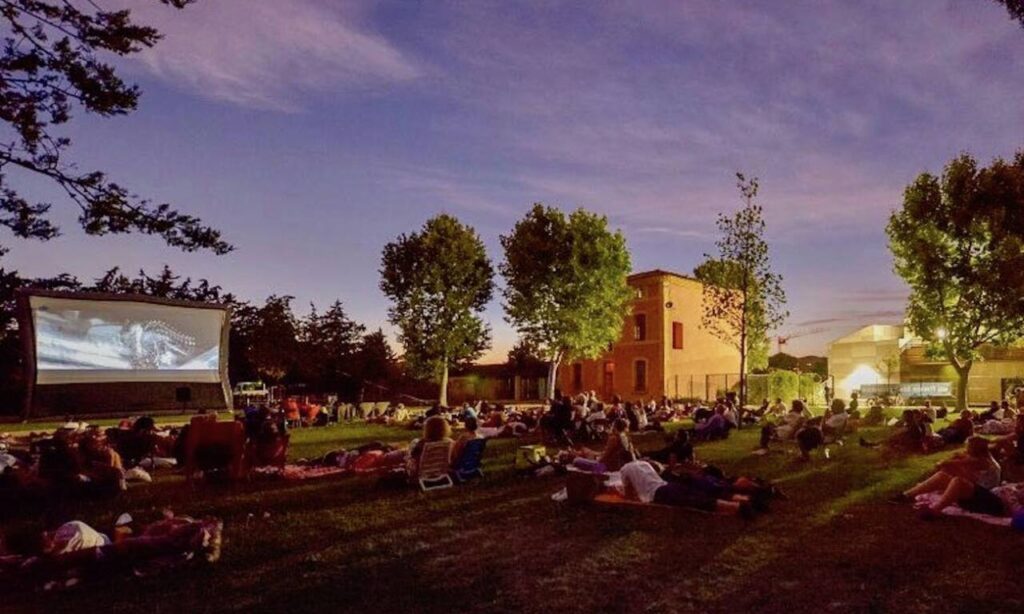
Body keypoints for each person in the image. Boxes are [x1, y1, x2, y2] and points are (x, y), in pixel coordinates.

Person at [893, 436, 1003, 518]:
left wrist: (947, 461)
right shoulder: (985, 458)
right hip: (979, 493)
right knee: (943, 475)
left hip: (985, 499)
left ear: (974, 449)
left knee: (957, 480)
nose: (966, 449)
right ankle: (906, 495)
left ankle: (934, 511)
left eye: (968, 447)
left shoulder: (979, 461)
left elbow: (947, 463)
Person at [619, 460, 755, 518]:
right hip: (667, 485)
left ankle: (736, 508)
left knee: (695, 501)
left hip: (659, 494)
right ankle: (743, 499)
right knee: (697, 494)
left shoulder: (624, 469)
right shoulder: (644, 463)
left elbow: (629, 495)